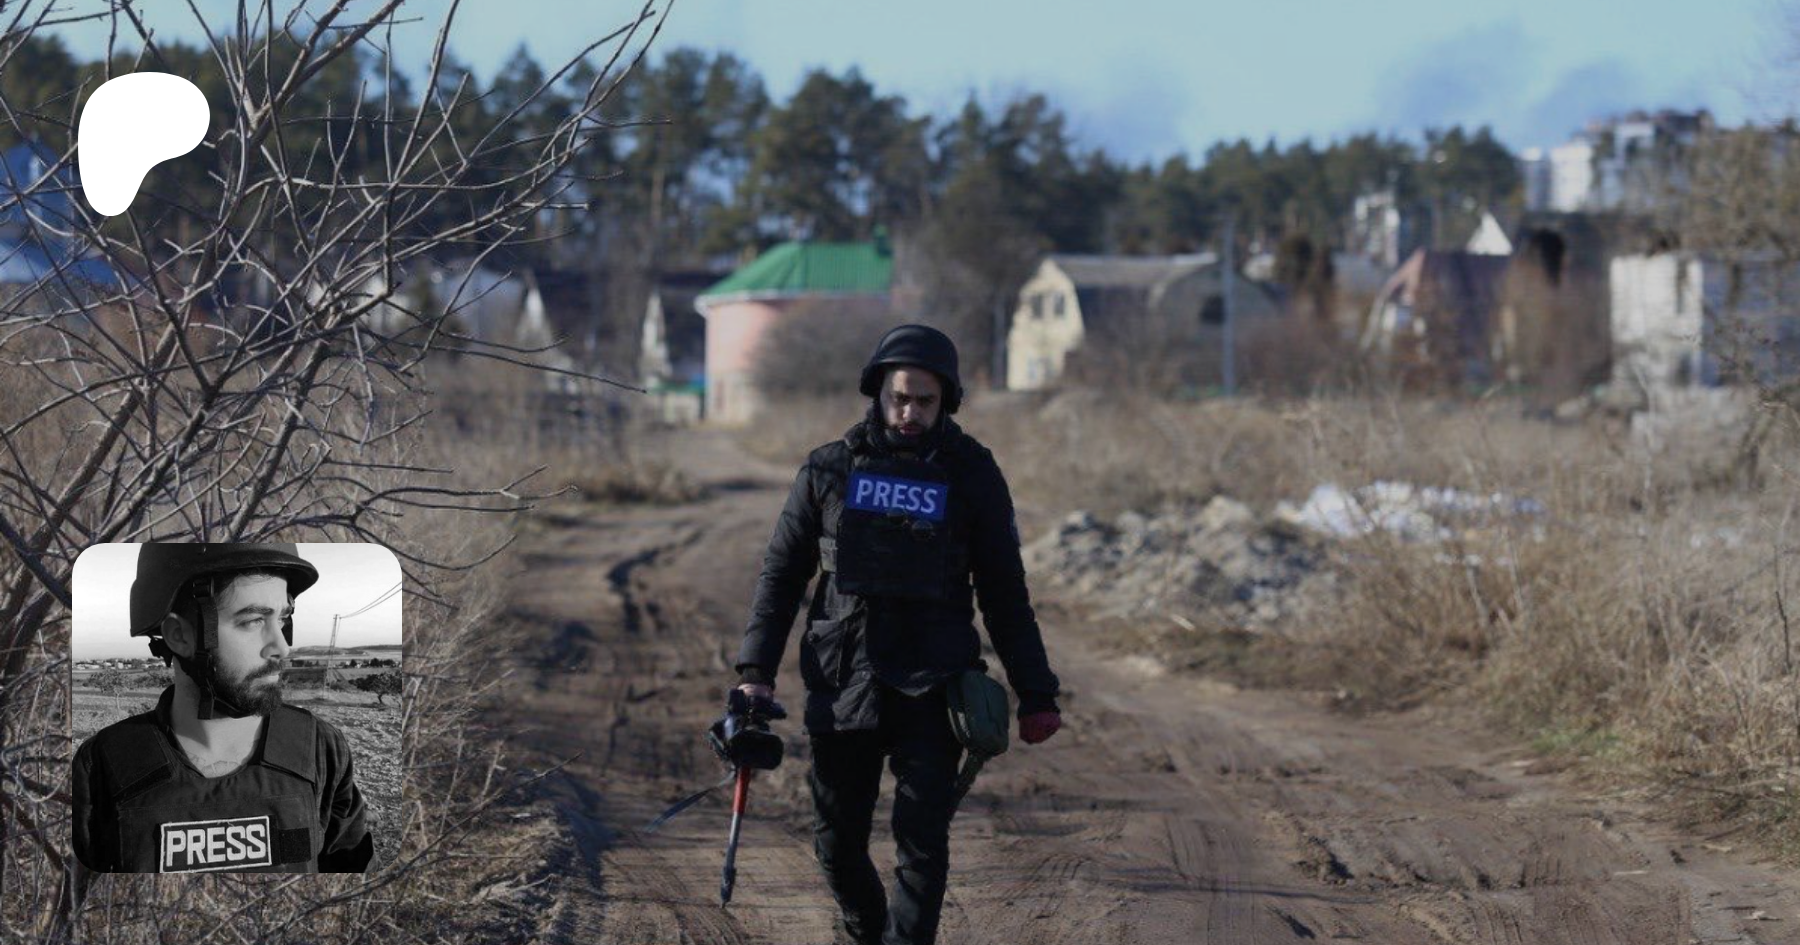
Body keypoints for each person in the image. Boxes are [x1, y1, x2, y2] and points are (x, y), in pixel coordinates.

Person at [734, 324, 1063, 945]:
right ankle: (868, 932)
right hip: (843, 679)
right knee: (836, 845)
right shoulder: (828, 469)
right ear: (878, 393)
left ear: (947, 401)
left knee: (921, 843)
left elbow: (1004, 592)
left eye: (925, 402)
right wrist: (755, 675)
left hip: (933, 684)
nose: (910, 413)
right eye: (899, 399)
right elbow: (781, 576)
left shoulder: (973, 473)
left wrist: (1037, 692)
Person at [72, 542, 374, 873]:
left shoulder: (319, 748)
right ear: (179, 636)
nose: (282, 647)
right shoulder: (103, 765)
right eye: (253, 621)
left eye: (283, 619)